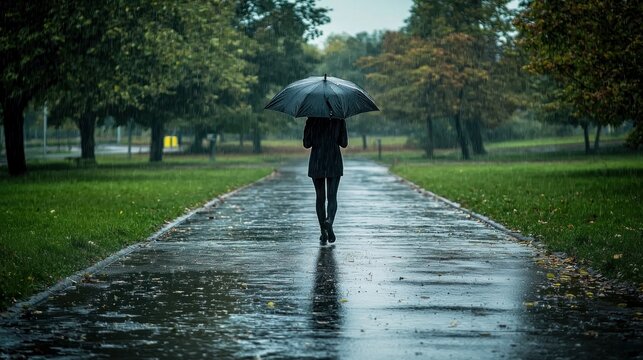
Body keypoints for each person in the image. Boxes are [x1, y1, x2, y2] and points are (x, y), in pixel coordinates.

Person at [303, 117, 348, 244]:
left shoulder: (311, 120)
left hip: (317, 161)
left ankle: (323, 233)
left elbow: (306, 144)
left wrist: (310, 127)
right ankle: (329, 221)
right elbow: (344, 143)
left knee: (320, 198)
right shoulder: (339, 119)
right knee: (332, 196)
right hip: (333, 160)